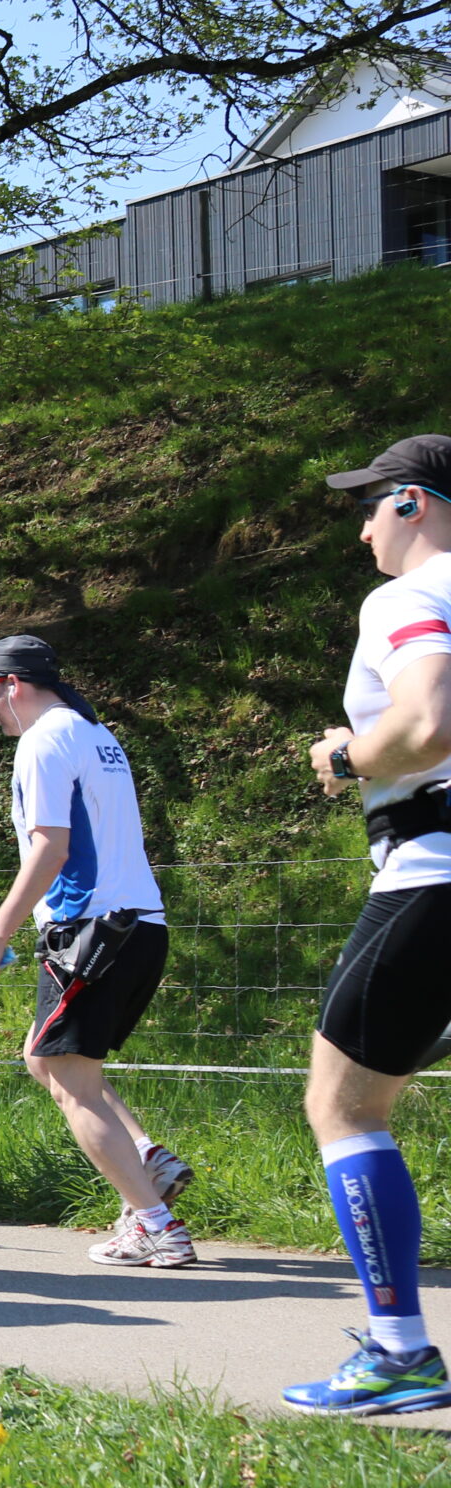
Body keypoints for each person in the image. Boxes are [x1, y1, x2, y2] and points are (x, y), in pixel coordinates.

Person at [284, 436, 451, 1416]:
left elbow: (427, 724)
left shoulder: (410, 593)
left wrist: (347, 756)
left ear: (412, 504)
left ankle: (398, 1350)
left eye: (369, 507)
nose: (360, 529)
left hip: (433, 871)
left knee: (342, 1104)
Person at [0, 634, 190, 1268]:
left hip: (91, 932)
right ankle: (145, 1157)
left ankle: (154, 1225)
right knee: (44, 1057)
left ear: (12, 684)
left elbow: (50, 848)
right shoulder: (97, 735)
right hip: (140, 925)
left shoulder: (42, 740)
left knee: (71, 1081)